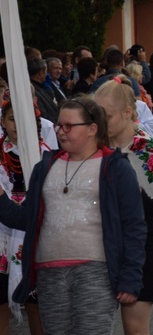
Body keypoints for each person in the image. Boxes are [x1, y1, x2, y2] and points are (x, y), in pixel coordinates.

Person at [0, 97, 146, 333]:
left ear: (92, 129)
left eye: (69, 126)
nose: (60, 132)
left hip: (95, 273)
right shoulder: (45, 167)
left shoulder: (115, 167)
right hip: (49, 274)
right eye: (58, 125)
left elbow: (134, 227)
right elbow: (24, 219)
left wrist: (130, 278)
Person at [93, 77, 153, 335]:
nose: (99, 123)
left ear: (128, 112)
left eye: (106, 116)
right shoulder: (93, 146)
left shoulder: (148, 149)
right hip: (98, 246)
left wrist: (132, 196)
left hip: (141, 247)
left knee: (135, 329)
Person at [0, 92, 49, 335]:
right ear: (2, 122)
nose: (17, 126)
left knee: (35, 302)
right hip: (1, 235)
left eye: (23, 119)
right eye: (11, 119)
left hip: (34, 235)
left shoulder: (46, 154)